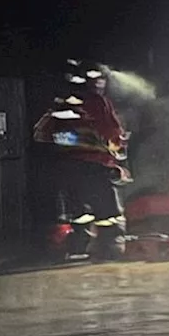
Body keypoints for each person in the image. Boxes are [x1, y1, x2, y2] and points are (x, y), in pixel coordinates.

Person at [33, 59, 130, 260]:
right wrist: (115, 152)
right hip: (96, 168)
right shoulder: (98, 102)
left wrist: (73, 142)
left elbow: (42, 134)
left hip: (69, 170)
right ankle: (110, 251)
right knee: (109, 215)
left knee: (79, 214)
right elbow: (112, 133)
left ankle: (78, 248)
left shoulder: (63, 103)